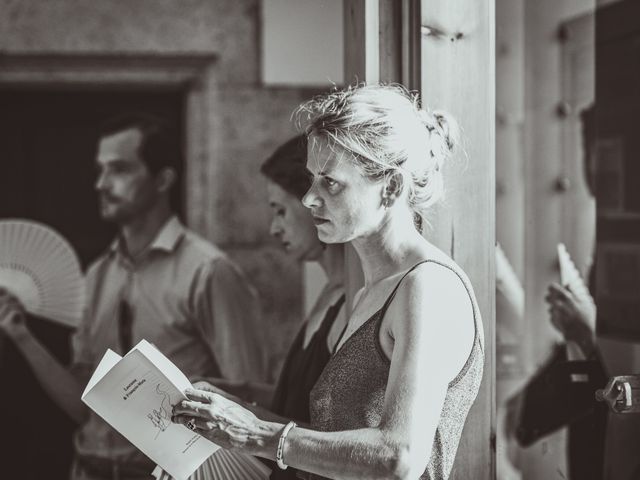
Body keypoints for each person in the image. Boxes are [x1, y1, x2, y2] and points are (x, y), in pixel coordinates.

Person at [171, 84, 485, 480]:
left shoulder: (428, 287)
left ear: (391, 187)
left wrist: (254, 433)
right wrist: (235, 411)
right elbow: (331, 437)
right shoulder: (371, 290)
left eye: (330, 182)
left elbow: (399, 456)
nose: (308, 199)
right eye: (311, 179)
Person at [0, 113, 266, 480]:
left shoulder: (209, 272)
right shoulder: (97, 276)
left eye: (119, 169)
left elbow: (251, 403)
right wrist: (21, 336)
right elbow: (84, 406)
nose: (100, 184)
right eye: (100, 170)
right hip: (88, 470)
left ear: (162, 179)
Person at [186, 135, 347, 480]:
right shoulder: (329, 293)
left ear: (314, 202)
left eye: (280, 210)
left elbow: (334, 435)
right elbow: (301, 398)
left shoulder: (353, 302)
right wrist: (235, 392)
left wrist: (243, 414)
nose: (274, 228)